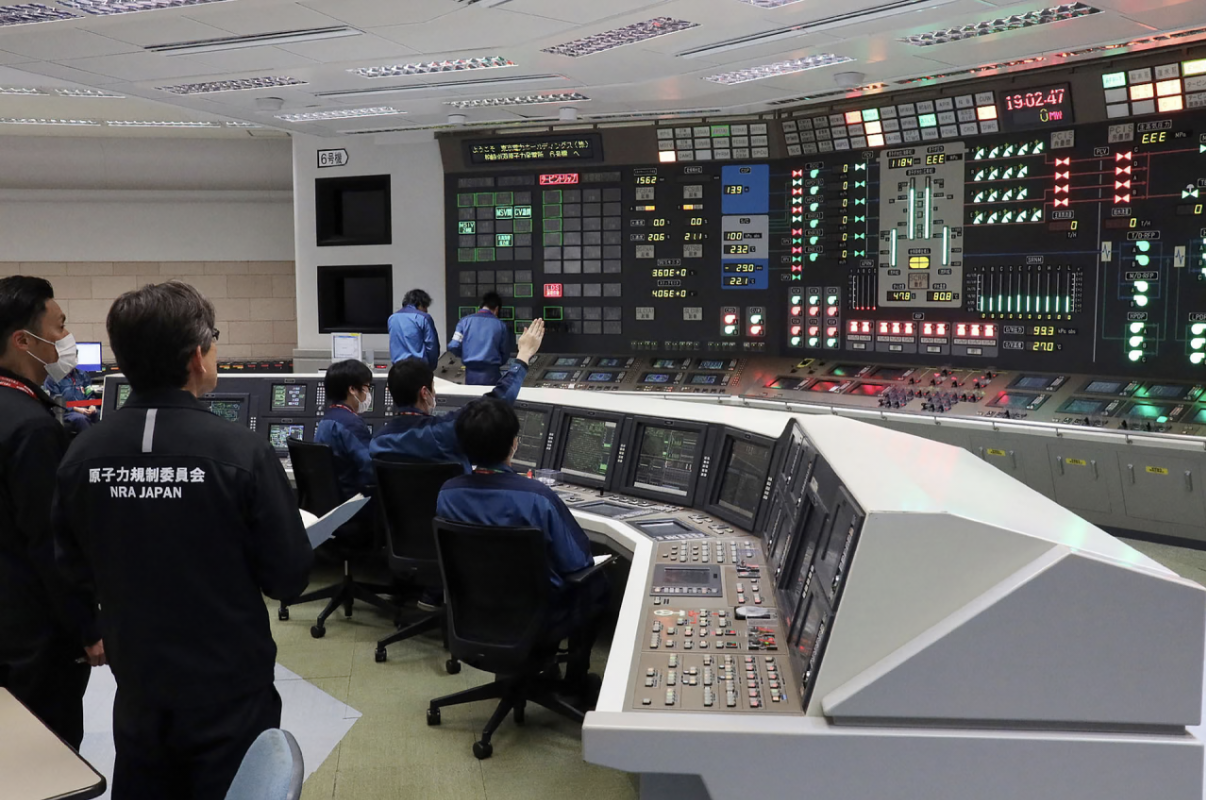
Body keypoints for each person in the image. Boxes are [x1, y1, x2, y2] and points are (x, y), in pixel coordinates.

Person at [52, 281, 313, 800]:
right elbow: (289, 578)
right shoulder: (242, 451)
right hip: (229, 686)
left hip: (139, 685)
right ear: (198, 355)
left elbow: (68, 569)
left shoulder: (81, 455)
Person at [436, 396, 607, 694]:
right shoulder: (538, 498)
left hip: (472, 613)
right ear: (514, 443)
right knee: (598, 583)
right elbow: (577, 563)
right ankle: (576, 681)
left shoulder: (447, 493)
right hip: (539, 620)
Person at [0, 276, 103, 750]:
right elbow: (49, 541)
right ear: (24, 340)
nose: (67, 340)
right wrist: (87, 627)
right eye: (59, 327)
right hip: (33, 638)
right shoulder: (30, 428)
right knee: (49, 756)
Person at [370, 318, 544, 473]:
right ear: (425, 393)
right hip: (449, 509)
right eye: (433, 388)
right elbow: (495, 403)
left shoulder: (378, 442)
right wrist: (523, 356)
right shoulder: (445, 431)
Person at [314, 359, 375, 501]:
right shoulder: (351, 424)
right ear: (352, 389)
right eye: (366, 387)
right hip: (354, 504)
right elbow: (371, 468)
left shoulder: (325, 420)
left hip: (331, 503)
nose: (368, 394)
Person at [448, 291, 513, 386]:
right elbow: (505, 352)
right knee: (490, 400)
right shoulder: (500, 325)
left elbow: (453, 345)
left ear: (481, 305)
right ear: (497, 309)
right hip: (492, 374)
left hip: (470, 375)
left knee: (472, 399)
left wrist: (466, 354)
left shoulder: (464, 322)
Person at [388, 288, 440, 368]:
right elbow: (431, 346)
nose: (426, 310)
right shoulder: (423, 318)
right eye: (425, 306)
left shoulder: (392, 318)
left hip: (397, 368)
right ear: (419, 303)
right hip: (419, 368)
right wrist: (431, 366)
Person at [44, 365, 98, 435]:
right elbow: (55, 401)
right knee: (81, 419)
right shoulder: (52, 378)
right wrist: (76, 409)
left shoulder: (82, 374)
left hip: (85, 409)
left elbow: (90, 393)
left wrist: (92, 405)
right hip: (65, 411)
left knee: (102, 414)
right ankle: (89, 444)